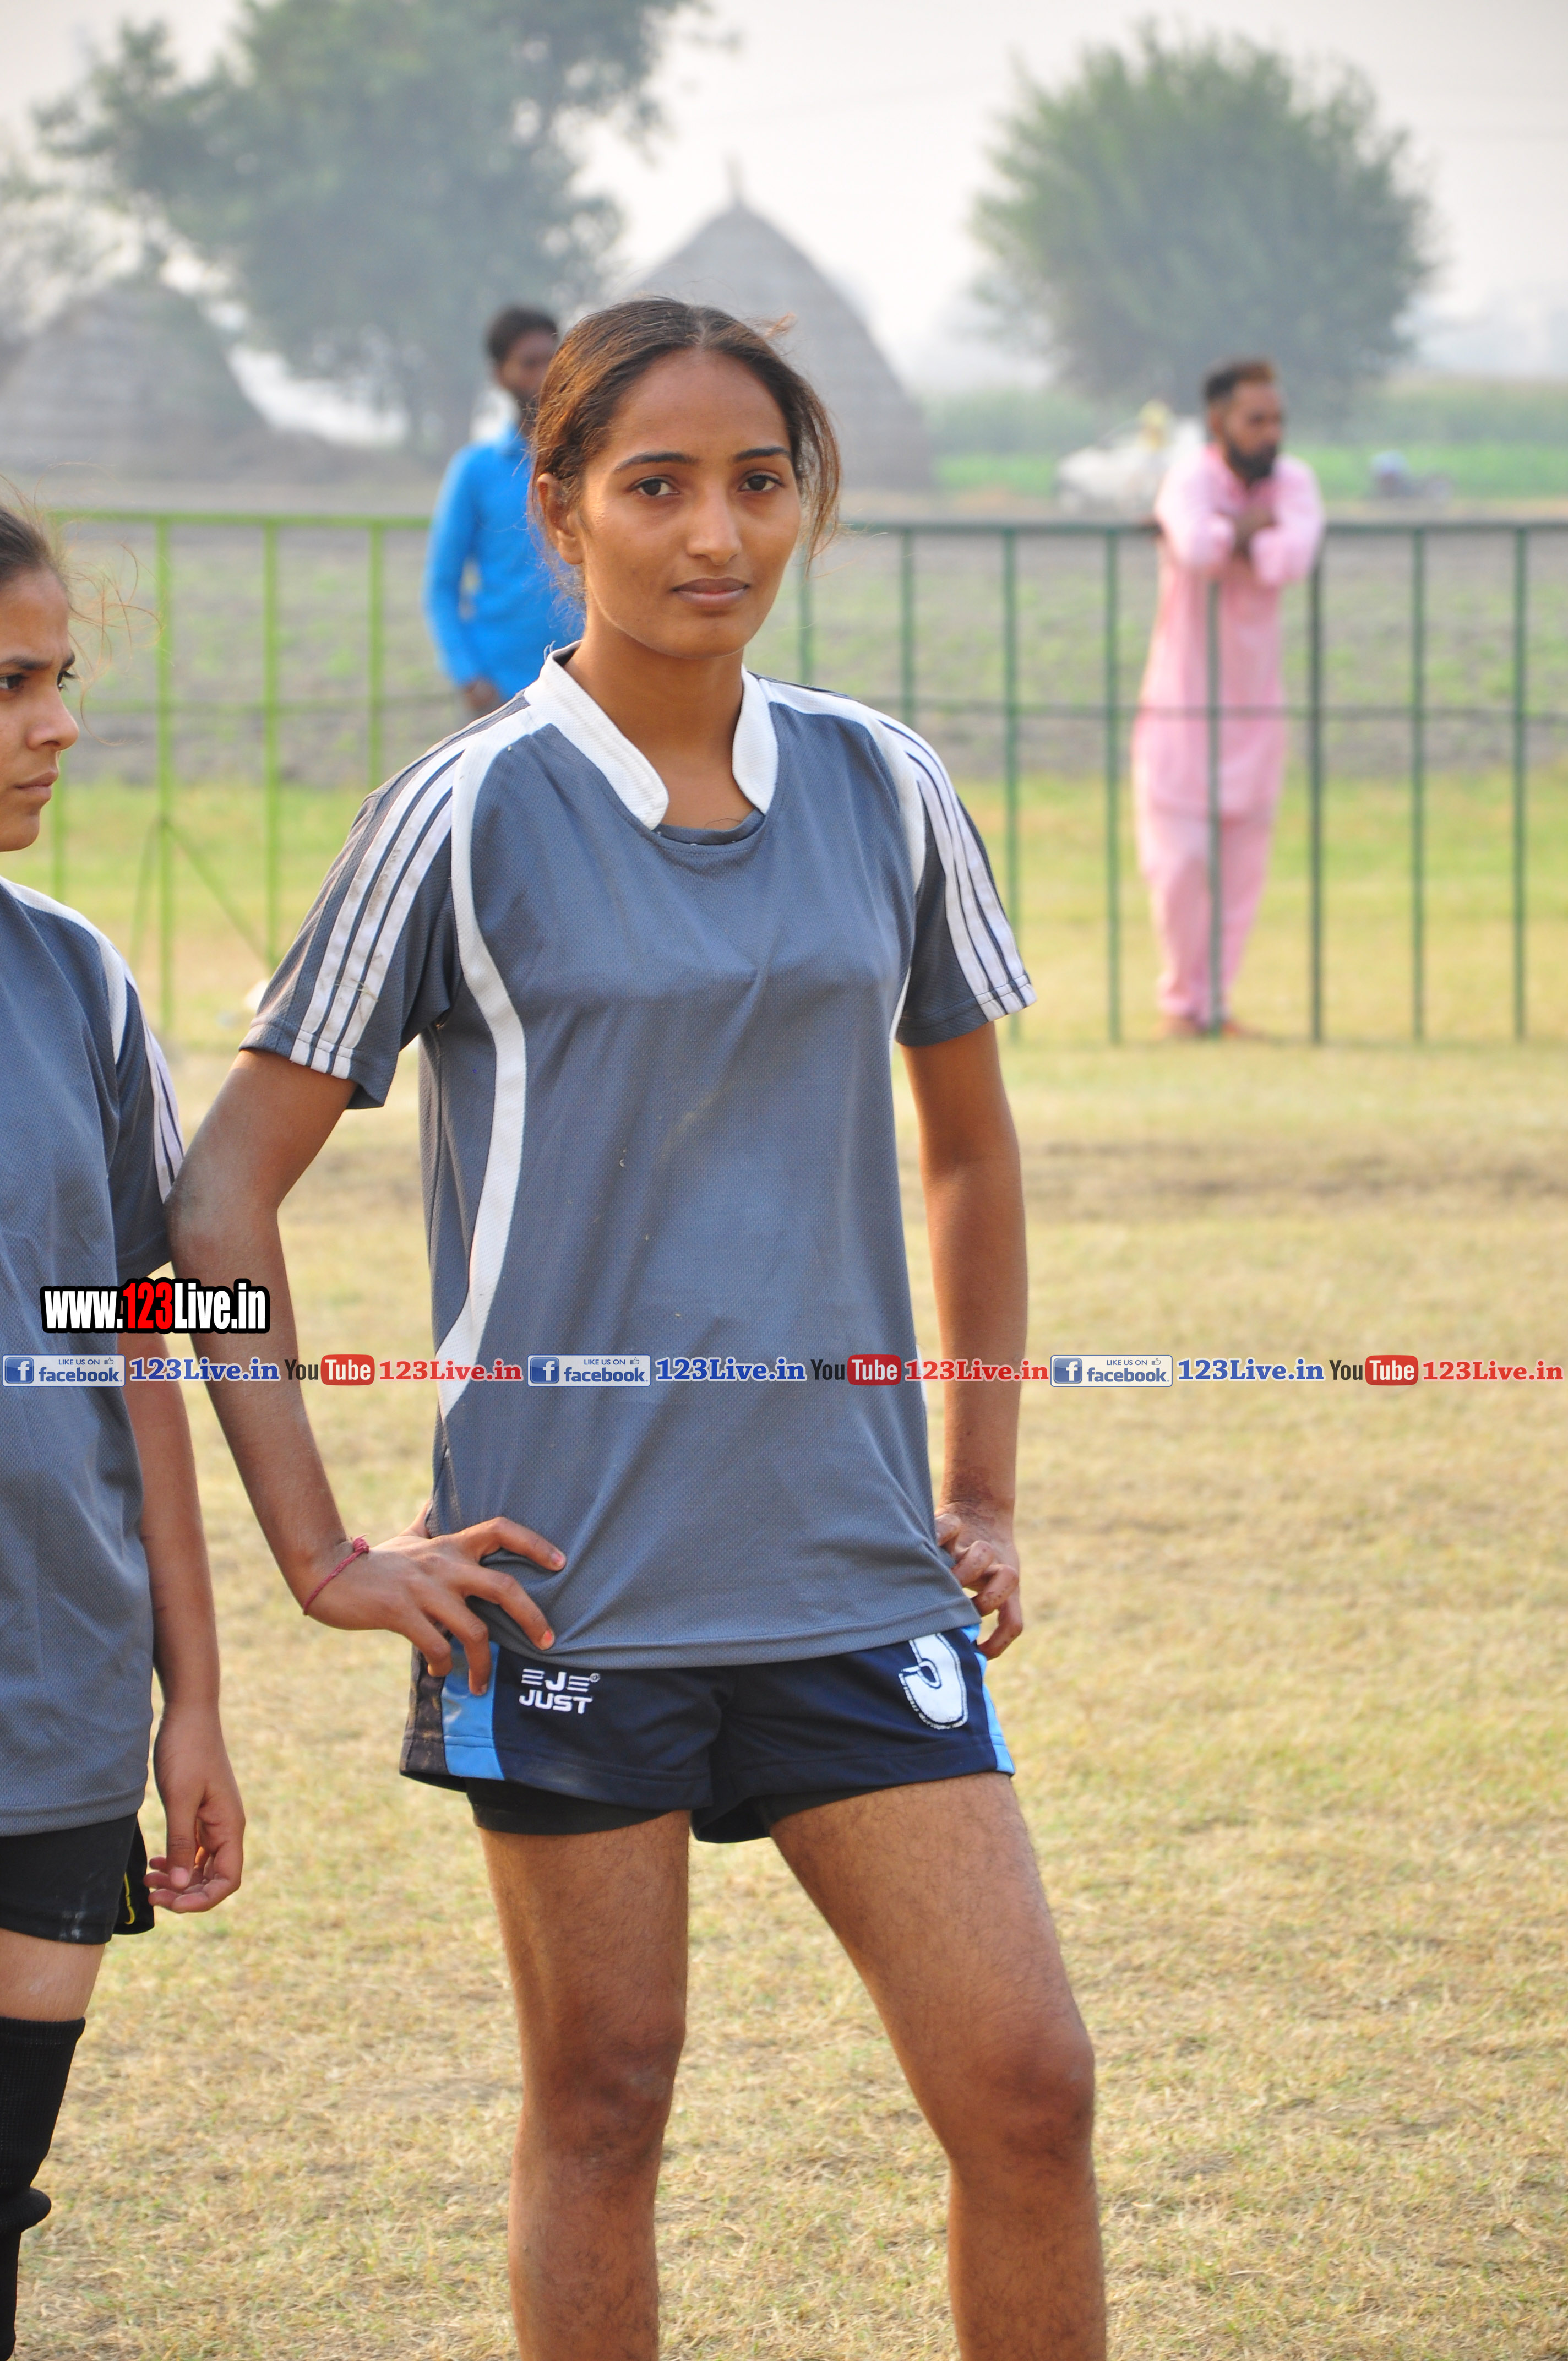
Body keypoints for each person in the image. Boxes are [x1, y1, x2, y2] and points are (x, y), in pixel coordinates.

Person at [171, 297, 1104, 2358]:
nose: (714, 533)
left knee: (1028, 2087)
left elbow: (966, 1151)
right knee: (603, 2101)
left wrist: (978, 1485)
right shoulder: (464, 810)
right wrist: (321, 1549)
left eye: (757, 483)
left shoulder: (882, 783)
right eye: (656, 485)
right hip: (563, 1592)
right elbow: (213, 1200)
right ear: (558, 505)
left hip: (853, 1573)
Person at [0, 501, 244, 2359]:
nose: (60, 722)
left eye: (62, 676)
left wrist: (197, 1696)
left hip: (51, 1704)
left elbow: (147, 1333)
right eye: (15, 682)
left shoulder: (79, 983)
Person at [1132, 356, 1325, 1036]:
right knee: (1180, 865)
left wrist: (1236, 534)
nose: (1271, 433)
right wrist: (1249, 529)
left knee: (1243, 870)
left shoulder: (1294, 480)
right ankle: (1180, 1002)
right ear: (1218, 422)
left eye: (1277, 420)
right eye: (1255, 420)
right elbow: (1198, 550)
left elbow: (1291, 558)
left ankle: (1214, 1004)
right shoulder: (1189, 477)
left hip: (1256, 707)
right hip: (1181, 706)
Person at [422, 304, 582, 717]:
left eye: (552, 361)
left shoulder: (590, 464)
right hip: (500, 691)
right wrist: (468, 676)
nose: (544, 375)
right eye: (529, 363)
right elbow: (442, 585)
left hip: (586, 685)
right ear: (500, 376)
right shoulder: (475, 471)